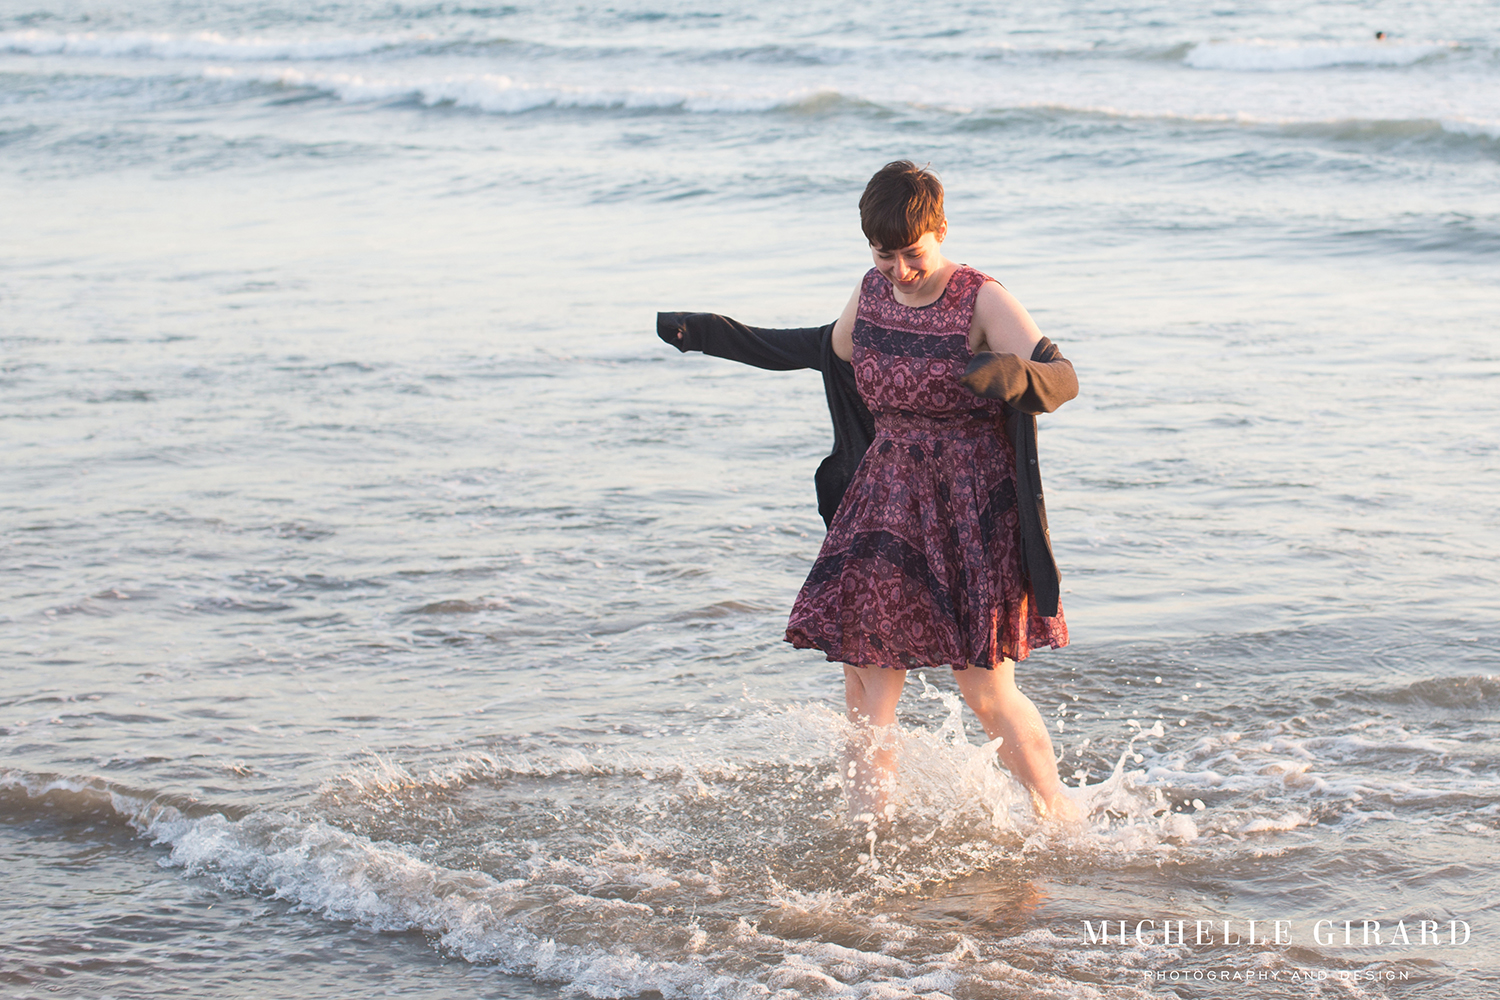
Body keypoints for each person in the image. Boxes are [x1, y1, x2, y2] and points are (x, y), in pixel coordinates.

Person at [657, 161, 1081, 826]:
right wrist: (711, 334)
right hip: (883, 503)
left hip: (967, 514)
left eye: (912, 254)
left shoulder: (982, 299)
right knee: (864, 672)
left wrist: (1011, 374)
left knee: (985, 689)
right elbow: (822, 350)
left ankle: (1058, 814)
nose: (900, 272)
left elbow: (1062, 378)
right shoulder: (872, 292)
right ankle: (867, 831)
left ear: (939, 231)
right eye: (885, 257)